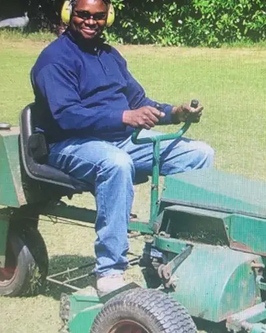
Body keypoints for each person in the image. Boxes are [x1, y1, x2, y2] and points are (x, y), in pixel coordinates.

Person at [30, 0, 214, 296]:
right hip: (67, 144)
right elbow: (66, 116)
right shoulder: (54, 59)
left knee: (198, 154)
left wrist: (175, 112)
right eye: (83, 15)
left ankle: (170, 252)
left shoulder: (110, 56)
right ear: (68, 13)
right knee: (116, 163)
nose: (91, 22)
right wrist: (124, 116)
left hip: (118, 140)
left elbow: (139, 101)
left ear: (109, 17)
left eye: (99, 16)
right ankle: (110, 271)